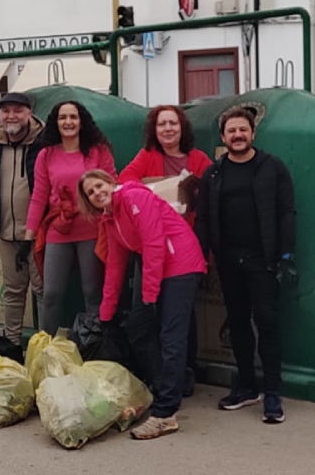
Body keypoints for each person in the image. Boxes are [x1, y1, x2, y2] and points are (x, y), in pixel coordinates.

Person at [79, 169, 206, 440]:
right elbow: (114, 266)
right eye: (90, 192)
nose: (97, 193)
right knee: (138, 327)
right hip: (162, 269)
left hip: (182, 264)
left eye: (99, 185)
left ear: (111, 183)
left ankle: (165, 414)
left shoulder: (134, 197)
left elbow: (154, 244)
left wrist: (149, 296)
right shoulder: (111, 219)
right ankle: (163, 388)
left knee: (171, 336)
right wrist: (106, 313)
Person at [194, 108, 297, 424]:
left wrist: (286, 254)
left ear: (253, 134)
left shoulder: (272, 167)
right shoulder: (214, 174)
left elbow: (287, 212)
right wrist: (203, 254)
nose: (237, 135)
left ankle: (272, 393)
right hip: (228, 261)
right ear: (223, 138)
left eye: (243, 130)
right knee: (237, 323)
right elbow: (204, 218)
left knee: (266, 323)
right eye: (231, 131)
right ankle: (247, 387)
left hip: (263, 261)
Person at [119, 105, 213, 397]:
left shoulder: (198, 159)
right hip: (150, 245)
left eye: (173, 123)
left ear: (182, 128)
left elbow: (211, 193)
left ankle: (185, 373)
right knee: (146, 311)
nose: (168, 129)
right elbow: (125, 182)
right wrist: (162, 188)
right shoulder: (148, 156)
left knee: (181, 314)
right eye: (162, 125)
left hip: (185, 246)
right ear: (154, 130)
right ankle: (158, 372)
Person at [25, 100, 115, 335]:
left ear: (82, 121)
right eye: (63, 117)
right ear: (55, 122)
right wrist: (29, 234)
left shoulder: (98, 151)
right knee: (52, 293)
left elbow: (112, 186)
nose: (68, 122)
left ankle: (93, 345)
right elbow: (39, 196)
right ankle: (47, 349)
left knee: (92, 291)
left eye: (73, 117)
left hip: (92, 228)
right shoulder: (46, 155)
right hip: (58, 228)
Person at [0, 92, 47, 345]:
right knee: (13, 291)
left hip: (39, 232)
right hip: (6, 230)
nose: (11, 116)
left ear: (29, 113)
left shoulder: (44, 141)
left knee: (43, 292)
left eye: (17, 110)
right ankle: (12, 345)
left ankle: (45, 348)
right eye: (6, 111)